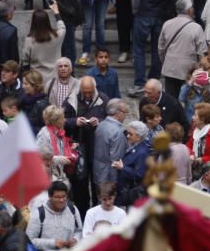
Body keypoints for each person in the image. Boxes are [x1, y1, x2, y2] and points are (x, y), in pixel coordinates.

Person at [132, 0, 175, 89]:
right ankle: (154, 80)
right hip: (160, 15)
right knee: (158, 50)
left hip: (143, 13)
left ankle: (139, 82)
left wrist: (135, 10)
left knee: (139, 49)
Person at [64, 76, 107, 213]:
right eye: (85, 92)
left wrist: (100, 121)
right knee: (80, 185)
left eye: (90, 92)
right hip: (79, 149)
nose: (87, 95)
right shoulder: (72, 100)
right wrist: (74, 121)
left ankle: (96, 211)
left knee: (97, 184)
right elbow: (62, 121)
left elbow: (112, 119)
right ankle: (82, 214)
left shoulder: (103, 100)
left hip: (97, 149)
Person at [159, 0, 207, 98]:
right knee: (187, 99)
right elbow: (202, 52)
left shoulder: (167, 24)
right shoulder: (196, 28)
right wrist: (200, 69)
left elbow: (161, 48)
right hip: (188, 71)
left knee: (171, 98)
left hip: (170, 68)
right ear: (189, 10)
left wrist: (165, 61)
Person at [27, 181, 83, 251]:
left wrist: (76, 239)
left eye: (64, 196)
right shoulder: (39, 214)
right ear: (50, 197)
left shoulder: (73, 209)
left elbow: (79, 230)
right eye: (57, 197)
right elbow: (30, 240)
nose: (61, 200)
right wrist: (53, 243)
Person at [93, 98, 130, 186]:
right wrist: (115, 183)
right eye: (125, 112)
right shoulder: (118, 132)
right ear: (118, 113)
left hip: (98, 173)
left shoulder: (101, 125)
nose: (126, 115)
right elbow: (116, 161)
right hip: (109, 178)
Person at [114, 121, 150, 205]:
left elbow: (139, 174)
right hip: (125, 190)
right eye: (127, 133)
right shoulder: (135, 146)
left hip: (132, 193)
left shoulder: (142, 152)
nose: (127, 136)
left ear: (139, 137)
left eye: (131, 134)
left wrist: (122, 168)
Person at [22, 8, 65, 78]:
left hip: (36, 78)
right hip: (55, 76)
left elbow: (25, 60)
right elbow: (62, 27)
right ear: (47, 21)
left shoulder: (29, 40)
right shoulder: (57, 36)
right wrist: (56, 11)